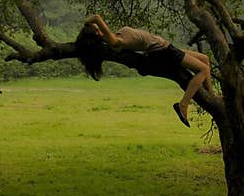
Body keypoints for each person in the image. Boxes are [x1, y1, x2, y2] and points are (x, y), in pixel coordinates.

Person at [75, 14, 212, 127]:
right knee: (203, 69)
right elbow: (96, 17)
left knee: (205, 59)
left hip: (165, 47)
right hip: (162, 50)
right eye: (97, 28)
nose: (100, 27)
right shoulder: (115, 41)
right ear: (97, 32)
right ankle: (183, 105)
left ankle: (211, 95)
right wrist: (86, 22)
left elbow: (99, 25)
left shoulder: (113, 37)